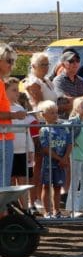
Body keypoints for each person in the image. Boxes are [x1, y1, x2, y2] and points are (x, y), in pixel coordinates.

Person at [37, 100, 72, 219]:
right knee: (46, 186)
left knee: (58, 187)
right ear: (43, 115)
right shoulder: (44, 130)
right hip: (48, 164)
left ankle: (57, 211)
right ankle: (47, 212)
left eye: (56, 112)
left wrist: (65, 158)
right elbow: (45, 148)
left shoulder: (64, 128)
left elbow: (70, 143)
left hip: (61, 163)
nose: (55, 115)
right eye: (51, 113)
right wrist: (60, 158)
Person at [1, 44, 27, 188]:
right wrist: (14, 115)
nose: (12, 65)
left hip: (6, 138)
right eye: (9, 61)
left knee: (4, 184)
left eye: (13, 61)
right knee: (3, 185)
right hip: (2, 139)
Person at [7, 78, 35, 209]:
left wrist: (30, 149)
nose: (17, 93)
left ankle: (25, 209)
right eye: (13, 90)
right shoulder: (4, 110)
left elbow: (26, 131)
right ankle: (13, 209)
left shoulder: (20, 108)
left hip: (21, 151)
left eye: (17, 90)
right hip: (8, 150)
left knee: (22, 181)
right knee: (10, 181)